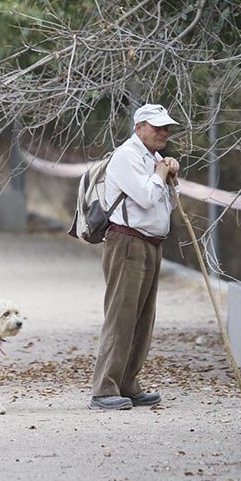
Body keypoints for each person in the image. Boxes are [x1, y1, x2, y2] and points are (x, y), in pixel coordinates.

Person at [89, 103, 181, 410]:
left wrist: (166, 171)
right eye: (156, 127)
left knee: (143, 318)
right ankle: (104, 389)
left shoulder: (152, 157)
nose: (163, 132)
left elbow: (163, 203)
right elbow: (145, 197)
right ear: (139, 127)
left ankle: (127, 383)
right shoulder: (126, 156)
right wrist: (160, 173)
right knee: (121, 316)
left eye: (166, 127)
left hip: (151, 243)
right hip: (127, 243)